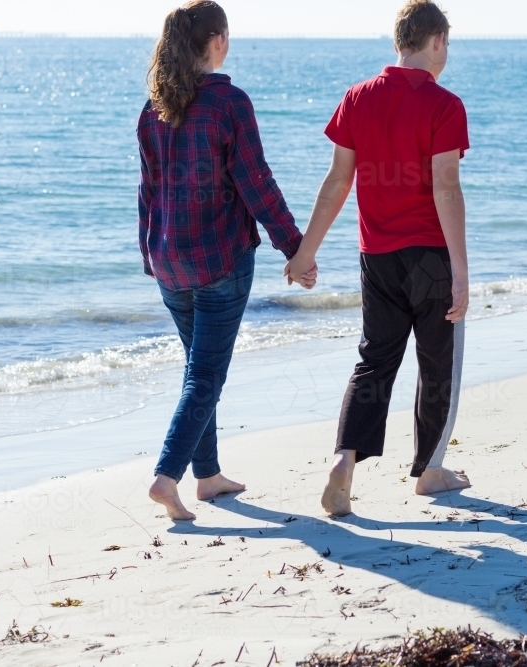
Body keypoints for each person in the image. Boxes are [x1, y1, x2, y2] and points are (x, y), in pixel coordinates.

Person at [284, 0, 471, 517]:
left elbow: (337, 183)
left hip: (377, 257)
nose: (447, 53)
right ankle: (430, 471)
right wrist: (460, 272)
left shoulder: (358, 98)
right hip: (430, 257)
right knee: (438, 365)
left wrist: (306, 252)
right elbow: (446, 190)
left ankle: (345, 459)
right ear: (435, 41)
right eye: (447, 44)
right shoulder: (444, 104)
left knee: (375, 360)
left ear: (398, 43)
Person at [138, 1, 316, 521]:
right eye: (228, 37)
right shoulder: (229, 103)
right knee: (206, 376)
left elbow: (147, 194)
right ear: (216, 41)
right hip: (219, 261)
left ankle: (208, 476)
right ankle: (166, 476)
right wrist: (296, 249)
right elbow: (256, 183)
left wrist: (149, 254)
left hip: (170, 261)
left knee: (198, 369)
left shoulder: (154, 109)